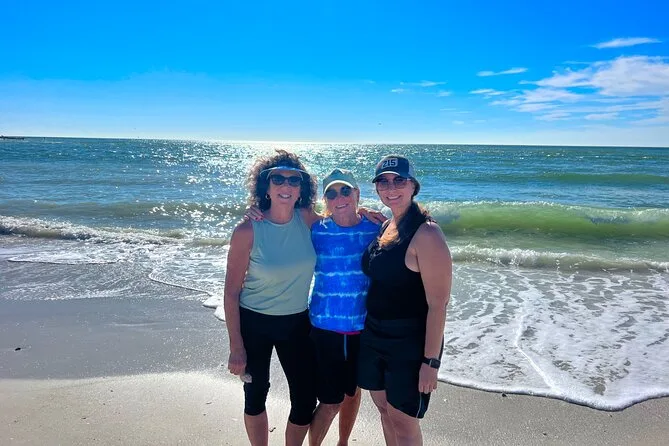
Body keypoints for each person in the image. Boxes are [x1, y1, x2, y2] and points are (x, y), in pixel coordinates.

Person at [224, 150, 322, 446]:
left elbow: (344, 219)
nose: (286, 185)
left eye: (294, 180)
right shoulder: (247, 229)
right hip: (254, 323)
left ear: (302, 189)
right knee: (255, 395)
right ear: (266, 186)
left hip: (297, 322)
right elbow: (231, 292)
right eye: (277, 179)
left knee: (305, 399)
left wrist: (367, 213)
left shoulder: (308, 220)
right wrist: (236, 347)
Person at [358, 155, 452, 446]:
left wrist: (430, 362)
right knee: (384, 410)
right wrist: (359, 210)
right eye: (383, 182)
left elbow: (438, 305)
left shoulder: (427, 233)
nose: (391, 188)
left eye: (399, 180)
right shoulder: (387, 225)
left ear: (413, 186)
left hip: (408, 344)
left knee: (404, 421)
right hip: (374, 335)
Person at [308, 169, 381, 446]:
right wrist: (254, 211)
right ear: (325, 200)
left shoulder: (376, 228)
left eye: (345, 191)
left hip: (363, 327)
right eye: (331, 193)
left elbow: (408, 232)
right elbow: (281, 219)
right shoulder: (316, 230)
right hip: (324, 328)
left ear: (357, 194)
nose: (339, 198)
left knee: (352, 392)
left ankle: (343, 442)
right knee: (330, 402)